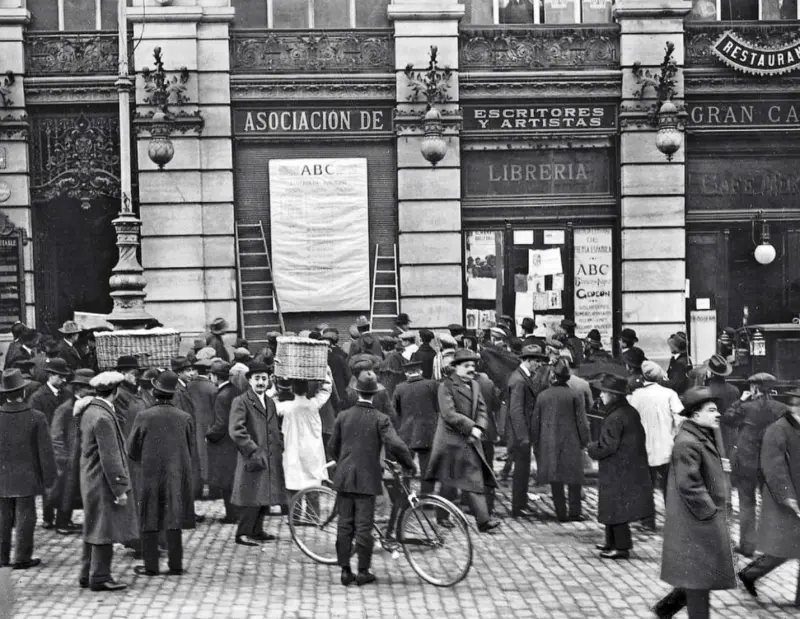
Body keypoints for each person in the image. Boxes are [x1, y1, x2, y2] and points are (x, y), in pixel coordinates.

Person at [653, 387, 736, 619]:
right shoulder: (688, 442)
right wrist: (710, 513)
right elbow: (689, 485)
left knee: (699, 576)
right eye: (711, 410)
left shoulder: (700, 435)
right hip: (697, 522)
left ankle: (665, 609)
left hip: (699, 521)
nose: (717, 414)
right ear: (696, 415)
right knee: (699, 579)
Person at [329, 370, 415, 587]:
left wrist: (343, 463)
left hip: (344, 477)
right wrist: (408, 464)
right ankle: (363, 571)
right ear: (375, 394)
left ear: (357, 392)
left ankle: (345, 571)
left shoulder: (343, 416)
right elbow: (395, 445)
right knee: (364, 526)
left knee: (345, 524)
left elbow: (332, 448)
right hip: (367, 478)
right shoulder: (380, 419)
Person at [126, 370, 195, 577]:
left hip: (150, 475)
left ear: (155, 392)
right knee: (174, 519)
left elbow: (132, 450)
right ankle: (175, 564)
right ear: (173, 394)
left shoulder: (144, 416)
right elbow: (190, 448)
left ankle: (151, 566)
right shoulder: (184, 418)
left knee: (150, 518)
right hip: (176, 474)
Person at [426, 349, 500, 533]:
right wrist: (471, 427)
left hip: (470, 441)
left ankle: (483, 521)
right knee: (450, 483)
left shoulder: (475, 385)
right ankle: (442, 516)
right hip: (450, 442)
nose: (471, 369)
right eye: (466, 366)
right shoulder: (446, 386)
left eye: (473, 365)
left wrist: (480, 427)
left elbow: (483, 410)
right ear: (456, 368)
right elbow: (449, 414)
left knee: (473, 480)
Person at [738, 391, 800, 607]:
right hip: (783, 500)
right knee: (781, 550)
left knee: (789, 547)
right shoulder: (778, 430)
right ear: (795, 406)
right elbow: (774, 468)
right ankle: (750, 574)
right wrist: (788, 498)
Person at [80, 372, 139, 592]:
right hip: (103, 481)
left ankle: (86, 573)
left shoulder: (90, 411)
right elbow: (110, 457)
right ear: (114, 392)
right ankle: (100, 576)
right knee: (103, 529)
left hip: (91, 478)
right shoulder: (103, 417)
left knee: (93, 525)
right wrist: (120, 489)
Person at [587, 374, 654, 560]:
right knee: (612, 506)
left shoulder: (615, 416)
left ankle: (621, 546)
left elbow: (608, 445)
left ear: (614, 395)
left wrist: (592, 448)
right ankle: (611, 542)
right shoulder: (627, 411)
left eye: (604, 393)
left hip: (617, 466)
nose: (601, 396)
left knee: (616, 509)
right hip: (627, 465)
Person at [722, 372, 789, 557]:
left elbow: (728, 420)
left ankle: (747, 546)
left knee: (746, 504)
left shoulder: (745, 407)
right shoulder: (782, 408)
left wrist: (739, 401)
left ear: (754, 388)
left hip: (746, 463)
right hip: (771, 464)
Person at [0, 369, 57, 569]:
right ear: (23, 392)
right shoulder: (36, 417)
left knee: (3, 517)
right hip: (28, 476)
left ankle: (2, 557)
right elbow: (45, 451)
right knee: (26, 517)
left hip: (2, 476)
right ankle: (22, 557)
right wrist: (50, 478)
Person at [228, 361, 284, 547]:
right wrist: (252, 449)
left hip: (270, 455)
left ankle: (257, 530)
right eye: (257, 378)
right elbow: (236, 430)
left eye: (264, 379)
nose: (260, 382)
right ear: (250, 380)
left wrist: (279, 444)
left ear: (269, 381)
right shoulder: (241, 401)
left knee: (263, 494)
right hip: (252, 456)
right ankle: (242, 532)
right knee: (250, 495)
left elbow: (275, 426)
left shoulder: (269, 402)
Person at [627, 361, 683, 532]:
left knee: (646, 486)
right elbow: (680, 417)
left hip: (643, 446)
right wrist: (674, 433)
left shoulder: (635, 396)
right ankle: (674, 520)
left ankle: (648, 521)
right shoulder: (669, 394)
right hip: (666, 445)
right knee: (669, 486)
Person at [531, 359, 590, 522]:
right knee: (574, 480)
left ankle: (561, 513)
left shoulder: (542, 396)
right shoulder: (574, 395)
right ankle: (575, 512)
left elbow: (535, 422)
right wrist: (585, 441)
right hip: (571, 443)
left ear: (554, 376)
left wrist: (535, 442)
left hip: (549, 443)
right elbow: (582, 422)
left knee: (555, 479)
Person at [50, 369, 95, 536]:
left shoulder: (85, 407)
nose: (90, 391)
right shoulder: (65, 409)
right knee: (65, 493)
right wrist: (63, 458)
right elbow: (55, 435)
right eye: (87, 388)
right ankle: (61, 523)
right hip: (69, 459)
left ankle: (66, 521)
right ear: (78, 389)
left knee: (74, 492)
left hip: (81, 457)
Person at [506, 345, 549, 518]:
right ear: (528, 360)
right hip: (520, 434)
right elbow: (516, 410)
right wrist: (523, 436)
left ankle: (521, 502)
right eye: (537, 361)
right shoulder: (519, 380)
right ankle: (518, 506)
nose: (539, 365)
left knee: (522, 470)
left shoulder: (523, 377)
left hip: (522, 432)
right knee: (520, 471)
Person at [274, 371, 332, 498]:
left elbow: (270, 400)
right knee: (313, 489)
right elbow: (326, 389)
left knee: (293, 490)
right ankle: (313, 518)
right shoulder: (314, 405)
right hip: (312, 452)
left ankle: (294, 517)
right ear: (307, 390)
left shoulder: (285, 407)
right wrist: (325, 370)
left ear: (292, 389)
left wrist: (275, 383)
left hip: (292, 451)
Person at [28, 357, 71, 530]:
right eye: (60, 376)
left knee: (64, 482)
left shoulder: (66, 394)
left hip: (63, 443)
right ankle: (48, 517)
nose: (63, 380)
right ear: (51, 375)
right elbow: (33, 422)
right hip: (44, 445)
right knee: (49, 481)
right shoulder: (38, 397)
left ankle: (63, 516)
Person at [392, 360, 439, 496]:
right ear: (421, 371)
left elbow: (395, 411)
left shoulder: (399, 388)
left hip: (406, 433)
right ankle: (427, 497)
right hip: (428, 433)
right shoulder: (432, 385)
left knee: (406, 465)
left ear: (406, 373)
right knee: (427, 467)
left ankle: (405, 496)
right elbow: (438, 407)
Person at [205, 360, 241, 523]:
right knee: (234, 479)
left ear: (215, 377)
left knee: (226, 481)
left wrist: (209, 435)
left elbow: (221, 423)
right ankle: (237, 513)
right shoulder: (235, 390)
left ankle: (232, 515)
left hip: (224, 444)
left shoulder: (221, 396)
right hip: (236, 441)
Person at [188, 357, 218, 499]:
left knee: (195, 459)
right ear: (209, 371)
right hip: (209, 426)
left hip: (193, 425)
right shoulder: (212, 388)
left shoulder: (188, 386)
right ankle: (213, 491)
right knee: (209, 459)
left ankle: (196, 491)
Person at [321, 328, 350, 409]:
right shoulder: (340, 357)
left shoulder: (318, 360)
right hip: (339, 393)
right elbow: (348, 376)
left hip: (323, 396)